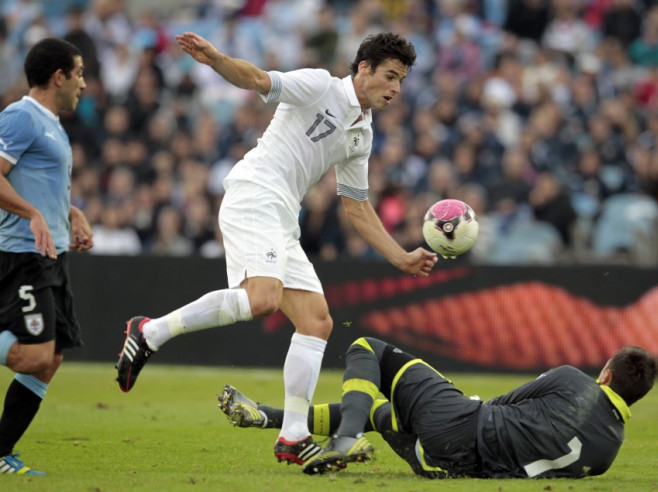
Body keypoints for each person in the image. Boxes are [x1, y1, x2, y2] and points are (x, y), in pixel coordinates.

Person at [115, 31, 438, 467]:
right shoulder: (321, 85)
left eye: (401, 80)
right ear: (363, 68)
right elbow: (257, 79)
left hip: (284, 216)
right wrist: (216, 60)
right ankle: (150, 332)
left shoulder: (362, 131)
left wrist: (400, 257)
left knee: (317, 322)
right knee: (262, 298)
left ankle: (293, 436)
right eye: (390, 76)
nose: (396, 88)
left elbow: (357, 207)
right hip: (255, 193)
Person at [217, 336, 658, 478]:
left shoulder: (572, 381)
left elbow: (501, 404)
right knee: (378, 410)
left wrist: (462, 408)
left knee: (368, 349)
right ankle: (271, 418)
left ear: (604, 374)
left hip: (464, 424)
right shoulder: (608, 454)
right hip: (450, 467)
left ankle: (343, 439)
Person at [0, 38, 92, 475]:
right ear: (59, 76)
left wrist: (71, 212)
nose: (84, 85)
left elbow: (36, 182)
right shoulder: (21, 117)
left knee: (50, 359)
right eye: (80, 74)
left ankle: (1, 454)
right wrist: (33, 213)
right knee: (35, 355)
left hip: (51, 256)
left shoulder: (53, 125)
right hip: (22, 254)